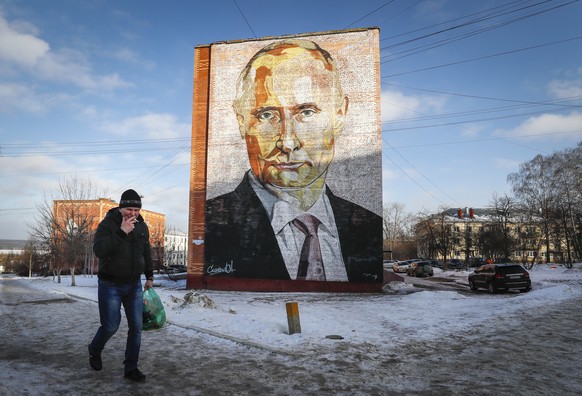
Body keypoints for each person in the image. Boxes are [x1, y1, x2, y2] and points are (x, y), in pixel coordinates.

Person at [205, 39, 382, 283]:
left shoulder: (369, 226)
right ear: (241, 122)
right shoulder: (211, 225)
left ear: (339, 116)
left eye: (306, 112)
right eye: (267, 115)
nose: (287, 142)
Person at [88, 189, 154, 382]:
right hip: (110, 285)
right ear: (121, 207)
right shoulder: (108, 224)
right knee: (110, 326)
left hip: (133, 285)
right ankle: (94, 348)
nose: (133, 214)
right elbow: (99, 250)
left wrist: (149, 276)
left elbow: (146, 253)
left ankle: (131, 368)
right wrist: (122, 232)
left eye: (136, 210)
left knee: (137, 327)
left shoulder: (142, 227)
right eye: (129, 209)